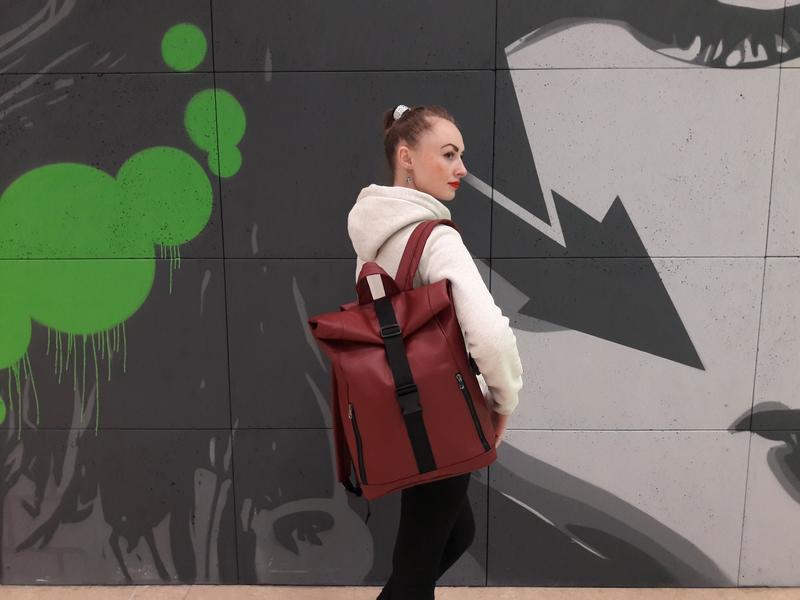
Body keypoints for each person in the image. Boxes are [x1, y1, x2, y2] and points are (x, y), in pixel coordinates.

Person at [346, 104, 524, 599]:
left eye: (460, 155)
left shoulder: (371, 236)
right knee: (414, 571)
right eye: (448, 155)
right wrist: (503, 400)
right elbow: (489, 334)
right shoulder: (434, 237)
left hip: (399, 413)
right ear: (406, 157)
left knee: (453, 533)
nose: (461, 168)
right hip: (442, 414)